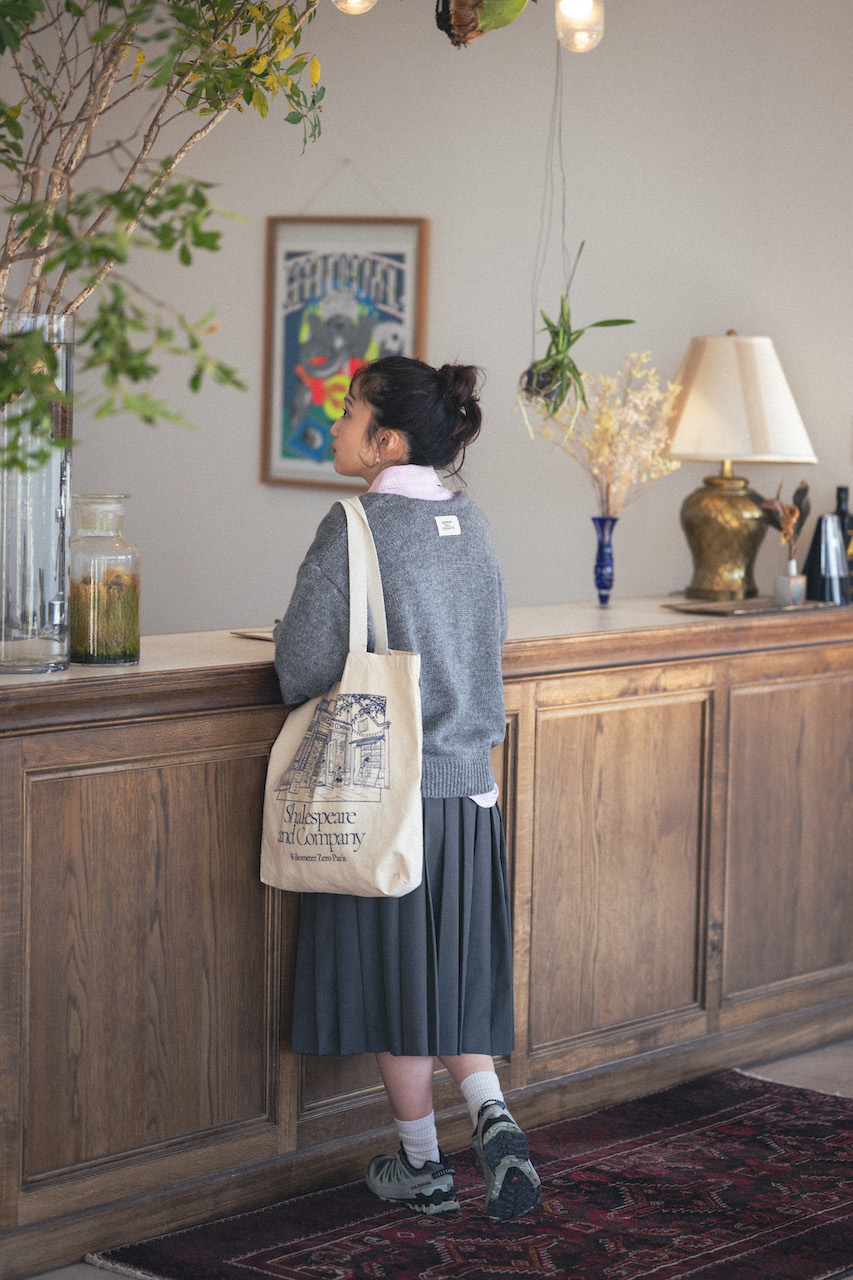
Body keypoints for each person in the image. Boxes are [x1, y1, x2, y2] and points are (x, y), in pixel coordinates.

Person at [272, 355, 541, 1221]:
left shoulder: (355, 525)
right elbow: (486, 642)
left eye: (349, 412)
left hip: (381, 795)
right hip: (468, 794)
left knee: (397, 989)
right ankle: (491, 1113)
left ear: (385, 441)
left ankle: (423, 1166)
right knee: (448, 976)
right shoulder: (473, 522)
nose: (336, 425)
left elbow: (301, 667)